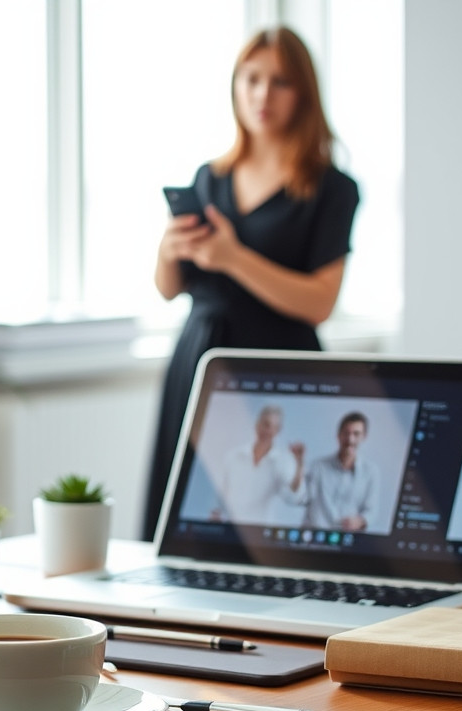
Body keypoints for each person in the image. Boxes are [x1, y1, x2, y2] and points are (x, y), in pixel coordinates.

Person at [142, 26, 360, 540]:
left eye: (280, 82)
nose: (262, 94)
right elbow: (168, 289)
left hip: (278, 364)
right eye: (252, 78)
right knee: (186, 516)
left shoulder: (331, 188)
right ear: (235, 85)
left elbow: (320, 302)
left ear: (303, 93)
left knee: (273, 514)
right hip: (199, 356)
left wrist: (235, 257)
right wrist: (167, 251)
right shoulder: (209, 177)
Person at [210, 405, 302, 524]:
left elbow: (292, 496)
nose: (266, 430)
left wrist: (299, 464)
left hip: (259, 532)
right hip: (230, 529)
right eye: (264, 424)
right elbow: (220, 495)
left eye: (271, 426)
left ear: (278, 430)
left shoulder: (282, 461)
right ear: (257, 424)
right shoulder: (233, 456)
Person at [289, 411, 378, 532]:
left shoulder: (371, 472)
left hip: (345, 541)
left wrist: (360, 521)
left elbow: (370, 511)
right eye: (346, 433)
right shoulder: (318, 466)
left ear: (364, 436)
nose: (350, 439)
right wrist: (299, 464)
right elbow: (299, 498)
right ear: (339, 435)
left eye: (356, 434)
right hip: (312, 538)